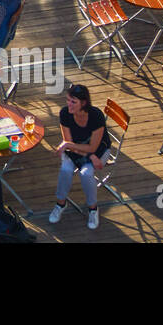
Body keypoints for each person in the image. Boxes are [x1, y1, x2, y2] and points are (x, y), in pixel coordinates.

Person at [49, 84, 110, 229]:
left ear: (83, 103)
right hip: (78, 151)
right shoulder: (65, 113)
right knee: (65, 169)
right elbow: (68, 143)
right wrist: (85, 153)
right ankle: (60, 204)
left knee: (86, 173)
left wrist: (88, 153)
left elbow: (93, 147)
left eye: (73, 102)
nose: (69, 105)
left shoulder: (96, 116)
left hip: (98, 151)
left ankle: (93, 208)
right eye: (68, 100)